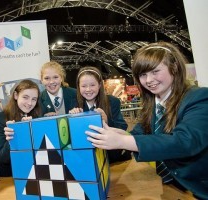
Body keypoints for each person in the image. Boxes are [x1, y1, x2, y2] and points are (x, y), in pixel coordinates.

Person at [85, 42, 208, 199]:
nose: (149, 80)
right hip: (172, 186)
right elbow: (139, 132)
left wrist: (122, 141)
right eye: (143, 75)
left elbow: (184, 141)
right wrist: (116, 133)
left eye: (155, 71)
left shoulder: (199, 97)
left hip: (199, 188)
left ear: (175, 67)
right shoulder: (152, 103)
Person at [69, 66, 131, 163]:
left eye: (92, 85)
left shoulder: (112, 102)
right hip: (88, 158)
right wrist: (71, 118)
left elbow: (122, 127)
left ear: (99, 85)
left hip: (111, 157)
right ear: (78, 87)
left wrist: (107, 121)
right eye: (84, 86)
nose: (88, 89)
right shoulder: (74, 103)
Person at [0, 79, 41, 177]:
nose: (30, 103)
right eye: (25, 97)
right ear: (15, 95)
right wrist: (13, 137)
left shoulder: (37, 118)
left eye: (34, 99)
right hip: (10, 176)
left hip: (33, 173)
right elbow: (2, 158)